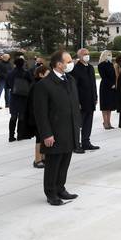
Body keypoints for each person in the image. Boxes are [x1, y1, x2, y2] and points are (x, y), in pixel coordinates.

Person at [33, 51, 81, 206]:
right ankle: (51, 192)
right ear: (59, 64)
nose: (71, 62)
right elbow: (41, 113)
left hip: (70, 129)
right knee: (53, 164)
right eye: (68, 60)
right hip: (54, 132)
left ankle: (60, 188)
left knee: (65, 162)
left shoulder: (71, 80)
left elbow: (73, 104)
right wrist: (46, 134)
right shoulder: (44, 85)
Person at [18, 65, 50, 168]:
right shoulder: (37, 85)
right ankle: (37, 160)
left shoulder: (40, 84)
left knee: (43, 138)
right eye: (47, 74)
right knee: (39, 139)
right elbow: (35, 104)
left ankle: (44, 158)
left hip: (40, 117)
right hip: (37, 118)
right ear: (40, 74)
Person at [71, 48, 99, 152]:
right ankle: (76, 144)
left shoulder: (91, 68)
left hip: (90, 100)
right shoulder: (76, 69)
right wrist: (77, 101)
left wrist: (95, 97)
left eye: (88, 53)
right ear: (79, 56)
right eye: (84, 54)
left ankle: (86, 142)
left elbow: (93, 84)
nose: (87, 55)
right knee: (78, 123)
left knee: (88, 122)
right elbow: (74, 87)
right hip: (81, 101)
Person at [6, 57, 33, 142]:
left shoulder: (10, 73)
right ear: (23, 64)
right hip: (23, 97)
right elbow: (31, 82)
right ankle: (20, 135)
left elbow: (7, 85)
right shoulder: (26, 73)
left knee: (13, 117)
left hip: (14, 97)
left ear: (15, 64)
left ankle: (11, 136)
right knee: (21, 117)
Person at [97, 50, 117, 130]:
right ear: (104, 55)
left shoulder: (111, 64)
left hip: (112, 87)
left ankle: (109, 122)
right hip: (105, 87)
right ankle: (105, 122)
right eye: (108, 54)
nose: (110, 56)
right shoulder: (101, 65)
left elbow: (114, 75)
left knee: (110, 106)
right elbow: (104, 77)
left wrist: (114, 84)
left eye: (110, 55)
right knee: (105, 106)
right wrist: (110, 84)